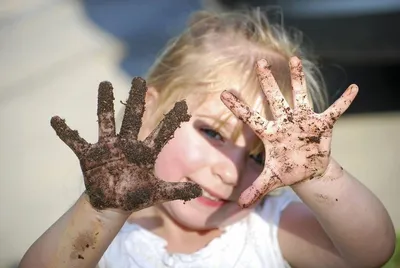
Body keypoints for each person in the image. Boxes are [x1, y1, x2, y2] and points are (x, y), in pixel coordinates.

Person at [19, 8, 395, 268]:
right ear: (148, 111)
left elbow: (368, 254)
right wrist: (102, 209)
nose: (230, 172)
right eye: (213, 133)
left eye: (260, 157)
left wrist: (319, 175)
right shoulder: (105, 229)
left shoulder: (269, 227)